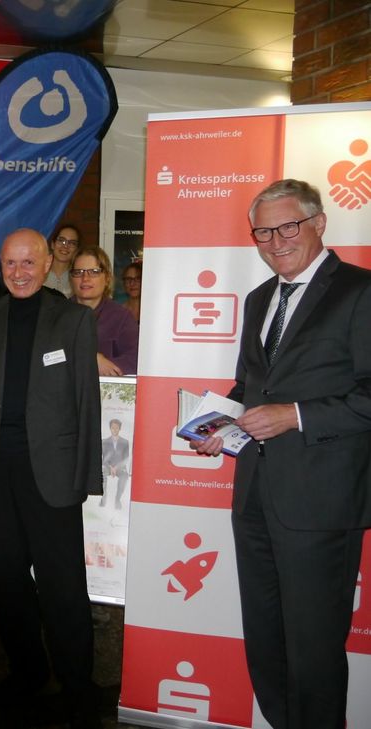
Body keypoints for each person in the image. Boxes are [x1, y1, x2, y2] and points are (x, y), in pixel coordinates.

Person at [194, 179, 371, 729]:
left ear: (319, 224)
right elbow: (252, 386)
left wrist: (295, 415)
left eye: (288, 227)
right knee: (266, 639)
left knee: (313, 648)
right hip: (254, 496)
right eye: (263, 232)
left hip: (320, 503)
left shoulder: (361, 291)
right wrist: (220, 425)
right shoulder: (258, 299)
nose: (275, 242)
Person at [0, 228, 101, 728]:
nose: (19, 272)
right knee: (8, 584)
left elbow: (86, 402)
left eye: (29, 262)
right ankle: (28, 671)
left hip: (53, 475)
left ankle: (77, 685)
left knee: (63, 586)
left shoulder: (73, 319)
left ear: (48, 263)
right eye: (10, 263)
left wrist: (87, 476)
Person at [71, 246, 139, 376]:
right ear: (71, 278)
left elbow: (135, 361)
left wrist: (103, 364)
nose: (85, 278)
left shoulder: (122, 318)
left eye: (94, 272)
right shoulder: (58, 315)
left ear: (107, 277)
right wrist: (90, 360)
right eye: (78, 272)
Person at [99, 419, 130, 509]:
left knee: (125, 476)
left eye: (117, 428)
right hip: (107, 466)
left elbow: (126, 458)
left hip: (119, 467)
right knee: (102, 472)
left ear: (120, 429)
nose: (114, 430)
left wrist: (116, 468)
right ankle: (103, 498)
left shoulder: (125, 442)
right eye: (113, 428)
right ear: (110, 428)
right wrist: (111, 467)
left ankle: (117, 499)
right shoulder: (104, 442)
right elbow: (104, 458)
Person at [47, 223, 80, 297]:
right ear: (52, 244)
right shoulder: (38, 274)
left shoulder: (79, 278)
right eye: (61, 240)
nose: (65, 246)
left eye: (72, 243)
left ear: (76, 249)